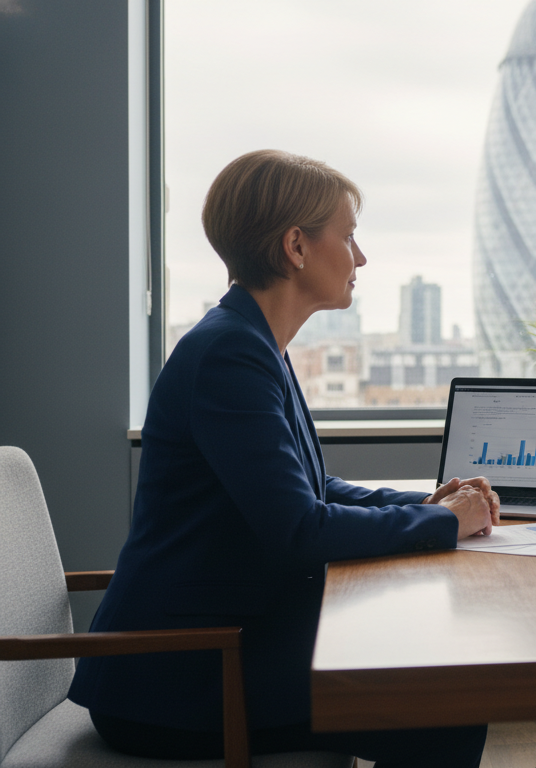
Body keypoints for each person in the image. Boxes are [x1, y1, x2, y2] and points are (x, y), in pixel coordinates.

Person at [69, 150, 498, 767]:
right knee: (444, 704)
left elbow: (312, 488)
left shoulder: (251, 342)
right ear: (296, 246)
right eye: (348, 236)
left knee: (440, 689)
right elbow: (300, 529)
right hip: (184, 680)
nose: (361, 256)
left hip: (223, 648)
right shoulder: (230, 356)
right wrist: (445, 522)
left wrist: (425, 504)